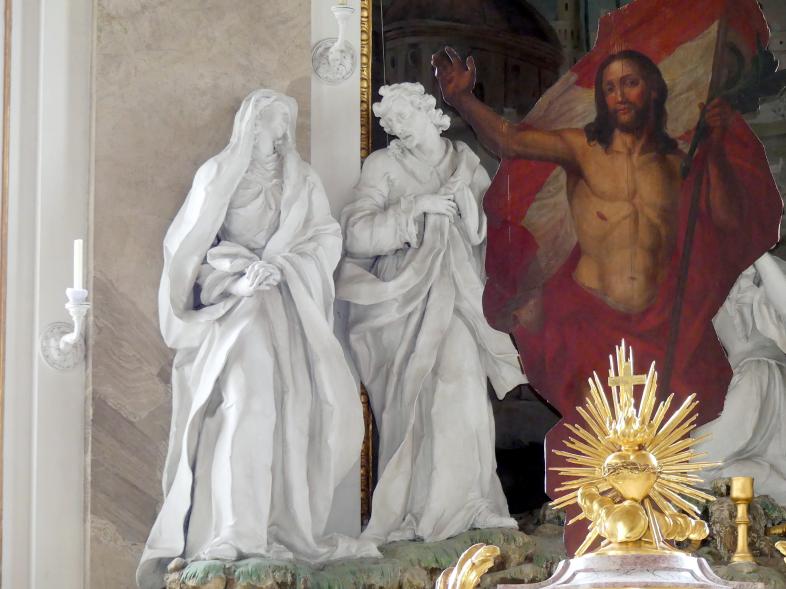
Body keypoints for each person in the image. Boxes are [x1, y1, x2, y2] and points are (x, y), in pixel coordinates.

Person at [432, 0, 783, 552]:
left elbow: (730, 222)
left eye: (631, 84)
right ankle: (593, 547)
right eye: (611, 87)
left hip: (664, 323)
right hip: (589, 320)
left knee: (687, 433)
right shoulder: (582, 147)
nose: (619, 95)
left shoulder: (681, 159)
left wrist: (715, 150)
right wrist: (463, 99)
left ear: (655, 92)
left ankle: (666, 547)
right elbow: (511, 142)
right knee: (593, 441)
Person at [137, 89, 378, 589]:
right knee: (248, 405)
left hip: (288, 309)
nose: (278, 130)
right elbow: (189, 251)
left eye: (284, 121)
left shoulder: (302, 179)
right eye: (269, 120)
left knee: (290, 413)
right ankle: (233, 529)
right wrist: (238, 281)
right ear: (249, 124)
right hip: (238, 309)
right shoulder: (218, 175)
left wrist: (287, 266)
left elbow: (325, 237)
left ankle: (274, 525)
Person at [336, 82, 527, 544]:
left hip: (458, 288)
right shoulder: (383, 165)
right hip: (405, 296)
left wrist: (464, 208)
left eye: (404, 116)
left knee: (463, 385)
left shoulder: (465, 162)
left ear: (428, 112)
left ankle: (473, 501)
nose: (397, 128)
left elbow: (495, 233)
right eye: (390, 123)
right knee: (417, 397)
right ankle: (418, 508)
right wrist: (415, 209)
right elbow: (356, 233)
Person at [694, 253, 786, 504]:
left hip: (761, 377)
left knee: (696, 465)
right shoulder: (709, 282)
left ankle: (773, 483)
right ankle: (771, 483)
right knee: (694, 467)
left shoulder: (769, 270)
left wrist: (759, 254)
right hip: (744, 379)